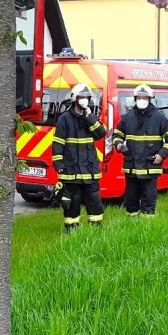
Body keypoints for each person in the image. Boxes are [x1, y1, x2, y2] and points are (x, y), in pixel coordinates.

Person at [112, 84, 168, 217]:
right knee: (131, 198)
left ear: (150, 99)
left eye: (145, 98)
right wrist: (118, 145)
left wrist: (161, 154)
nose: (142, 100)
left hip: (150, 166)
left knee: (149, 197)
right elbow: (117, 134)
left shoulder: (159, 118)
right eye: (139, 97)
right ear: (135, 99)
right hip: (132, 167)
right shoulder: (127, 117)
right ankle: (132, 222)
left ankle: (147, 226)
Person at [51, 83, 106, 232]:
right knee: (71, 205)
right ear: (75, 99)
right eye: (82, 97)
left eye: (87, 98)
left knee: (95, 203)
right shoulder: (64, 119)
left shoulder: (91, 118)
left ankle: (96, 233)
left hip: (90, 171)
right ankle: (72, 233)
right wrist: (58, 164)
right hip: (71, 171)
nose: (84, 100)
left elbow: (101, 134)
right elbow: (58, 143)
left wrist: (90, 118)